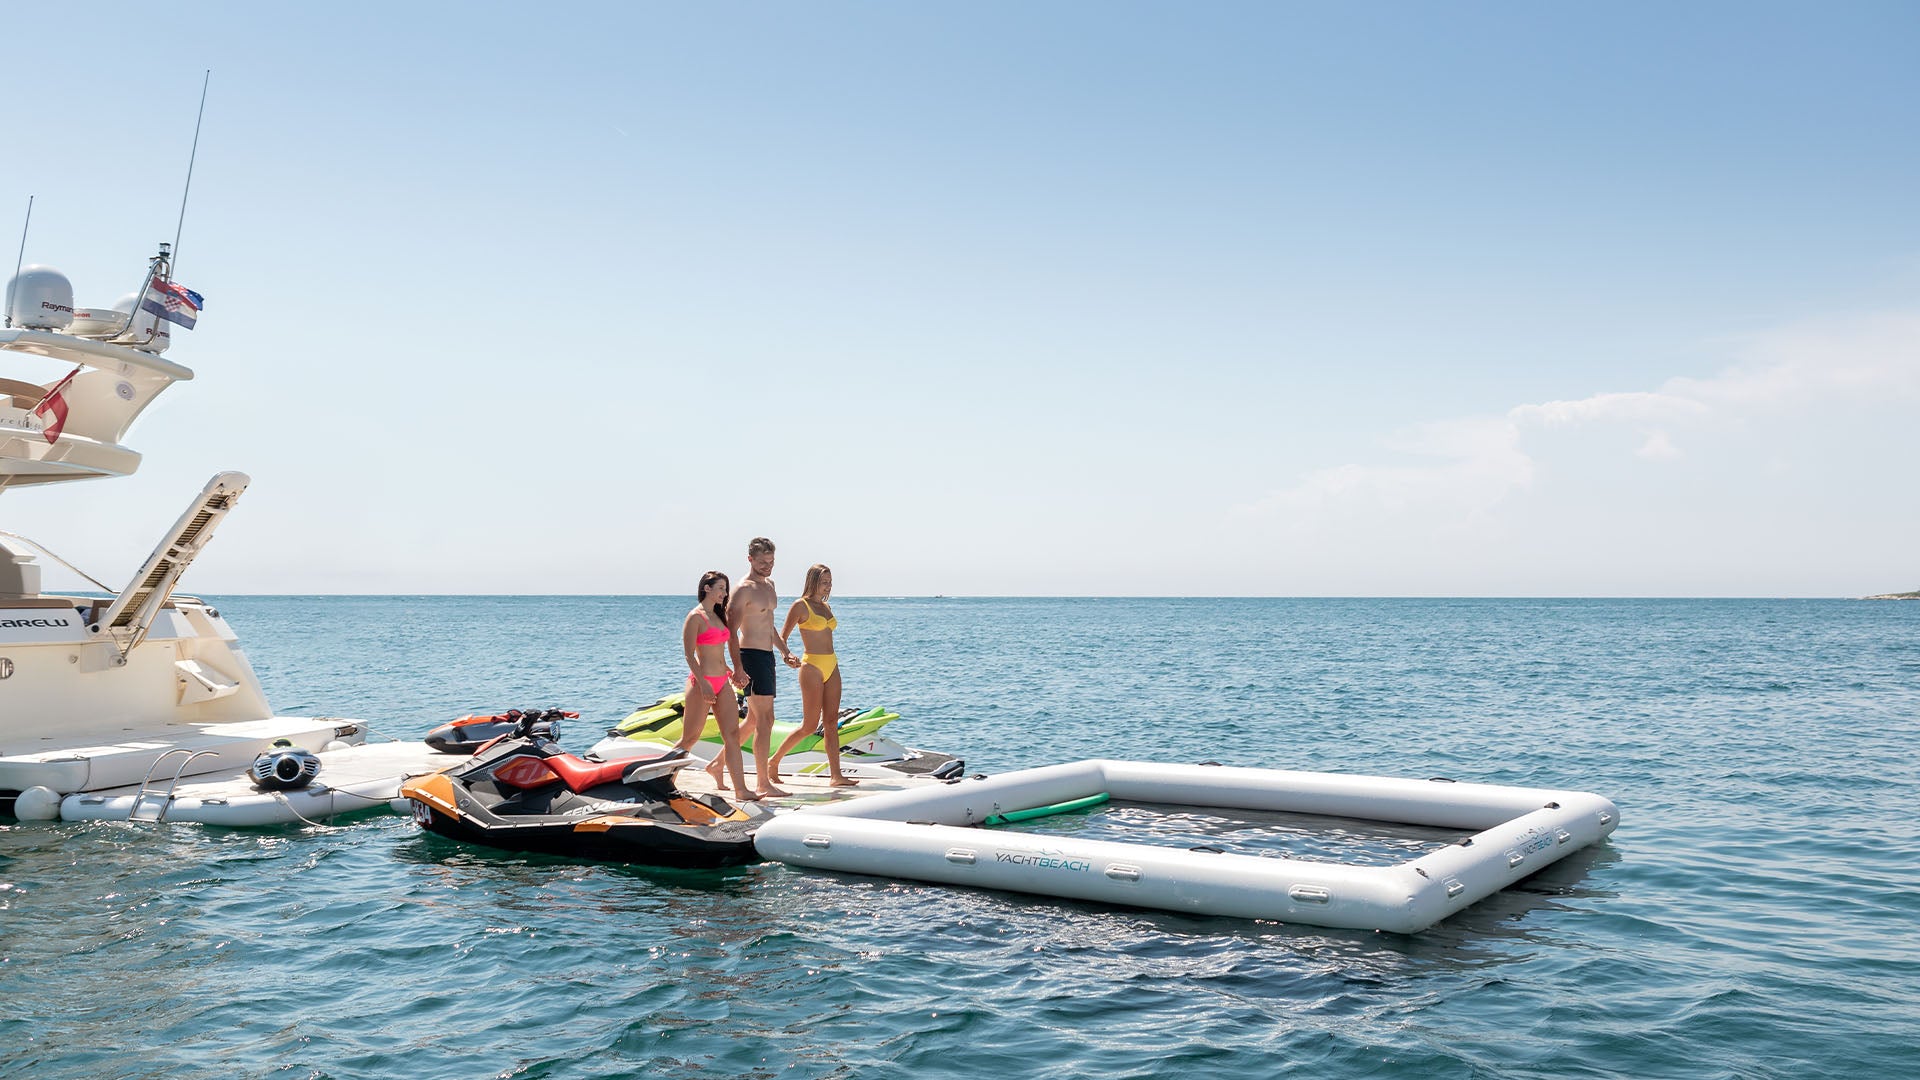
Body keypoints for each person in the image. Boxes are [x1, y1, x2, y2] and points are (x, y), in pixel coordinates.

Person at [769, 563, 856, 787]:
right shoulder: (801, 605)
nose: (828, 586)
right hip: (811, 667)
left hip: (832, 664)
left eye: (830, 582)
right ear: (813, 581)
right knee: (809, 725)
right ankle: (774, 761)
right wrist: (787, 656)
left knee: (831, 721)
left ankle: (836, 776)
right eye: (824, 581)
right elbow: (782, 636)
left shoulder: (827, 607)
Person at [727, 537, 793, 797]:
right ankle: (763, 782)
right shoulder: (743, 589)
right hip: (750, 656)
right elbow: (731, 632)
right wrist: (737, 668)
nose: (768, 566)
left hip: (767, 656)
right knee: (766, 720)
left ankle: (717, 764)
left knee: (755, 720)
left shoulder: (769, 585)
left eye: (772, 562)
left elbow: (769, 624)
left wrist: (785, 650)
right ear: (750, 559)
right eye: (763, 562)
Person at [679, 571, 753, 801]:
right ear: (706, 588)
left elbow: (719, 653)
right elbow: (690, 656)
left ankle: (741, 790)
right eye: (720, 588)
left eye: (725, 589)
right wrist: (703, 684)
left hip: (723, 682)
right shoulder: (695, 617)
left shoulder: (718, 617)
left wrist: (731, 672)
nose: (724, 593)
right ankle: (665, 781)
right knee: (690, 738)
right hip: (702, 683)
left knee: (732, 735)